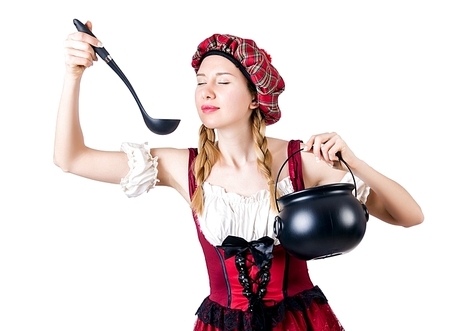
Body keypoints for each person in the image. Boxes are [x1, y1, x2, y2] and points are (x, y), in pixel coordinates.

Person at [54, 21, 424, 331]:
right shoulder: (181, 166)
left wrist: (355, 162)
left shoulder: (301, 160)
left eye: (223, 81)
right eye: (200, 81)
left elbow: (410, 216)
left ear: (254, 97)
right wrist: (73, 76)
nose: (207, 91)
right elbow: (70, 158)